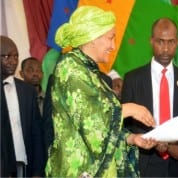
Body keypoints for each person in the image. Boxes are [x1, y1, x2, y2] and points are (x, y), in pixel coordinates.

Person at [45, 6, 157, 177]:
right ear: (92, 38)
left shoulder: (91, 73)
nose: (113, 46)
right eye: (110, 38)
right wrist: (129, 108)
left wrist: (131, 139)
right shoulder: (70, 68)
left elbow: (103, 131)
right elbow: (90, 121)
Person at [121, 17, 178, 177]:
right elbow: (123, 125)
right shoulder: (132, 79)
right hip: (143, 161)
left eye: (171, 42)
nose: (165, 49)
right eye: (160, 42)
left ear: (177, 43)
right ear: (151, 41)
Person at [0, 35, 45, 177]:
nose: (13, 61)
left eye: (16, 56)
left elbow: (36, 134)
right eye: (6, 56)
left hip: (22, 165)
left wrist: (38, 171)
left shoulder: (27, 91)